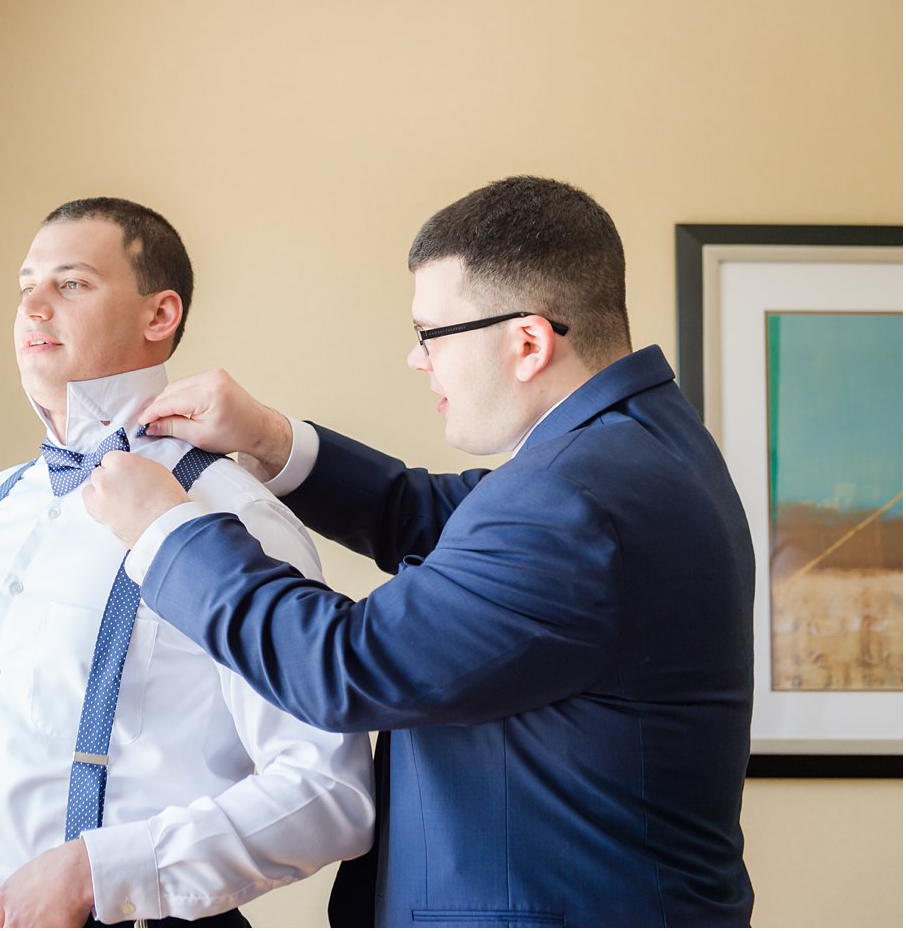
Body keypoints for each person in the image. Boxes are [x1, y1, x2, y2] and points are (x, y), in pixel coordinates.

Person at [84, 177, 756, 927]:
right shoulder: (634, 446)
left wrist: (165, 533)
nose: (417, 360)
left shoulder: (576, 500)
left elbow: (344, 665)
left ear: (527, 342)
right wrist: (268, 436)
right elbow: (438, 515)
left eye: (431, 334)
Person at [0, 197, 374, 929]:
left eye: (70, 284)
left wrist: (107, 871)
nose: (31, 305)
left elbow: (329, 794)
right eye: (25, 283)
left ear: (159, 317)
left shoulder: (235, 516)